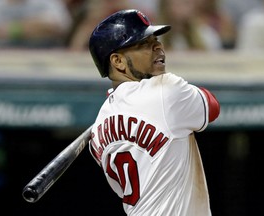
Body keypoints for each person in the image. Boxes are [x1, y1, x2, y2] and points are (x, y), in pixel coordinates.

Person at [88, 9, 220, 216]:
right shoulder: (165, 89)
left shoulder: (97, 132)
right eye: (143, 44)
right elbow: (212, 107)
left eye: (155, 40)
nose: (158, 46)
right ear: (118, 62)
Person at [0, 0, 72, 48]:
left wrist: (15, 29)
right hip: (4, 59)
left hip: (45, 56)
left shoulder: (46, 2)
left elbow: (59, 26)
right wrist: (36, 27)